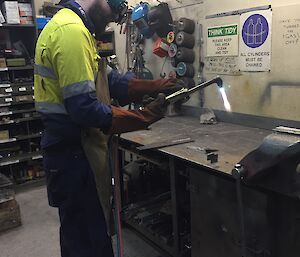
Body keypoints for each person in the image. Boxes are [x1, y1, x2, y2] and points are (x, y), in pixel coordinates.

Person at [34, 0, 182, 256]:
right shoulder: (71, 31)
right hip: (75, 154)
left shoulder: (72, 26)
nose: (112, 20)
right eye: (112, 12)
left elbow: (107, 79)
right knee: (87, 240)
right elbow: (85, 109)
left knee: (83, 233)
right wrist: (143, 116)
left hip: (72, 150)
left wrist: (156, 85)